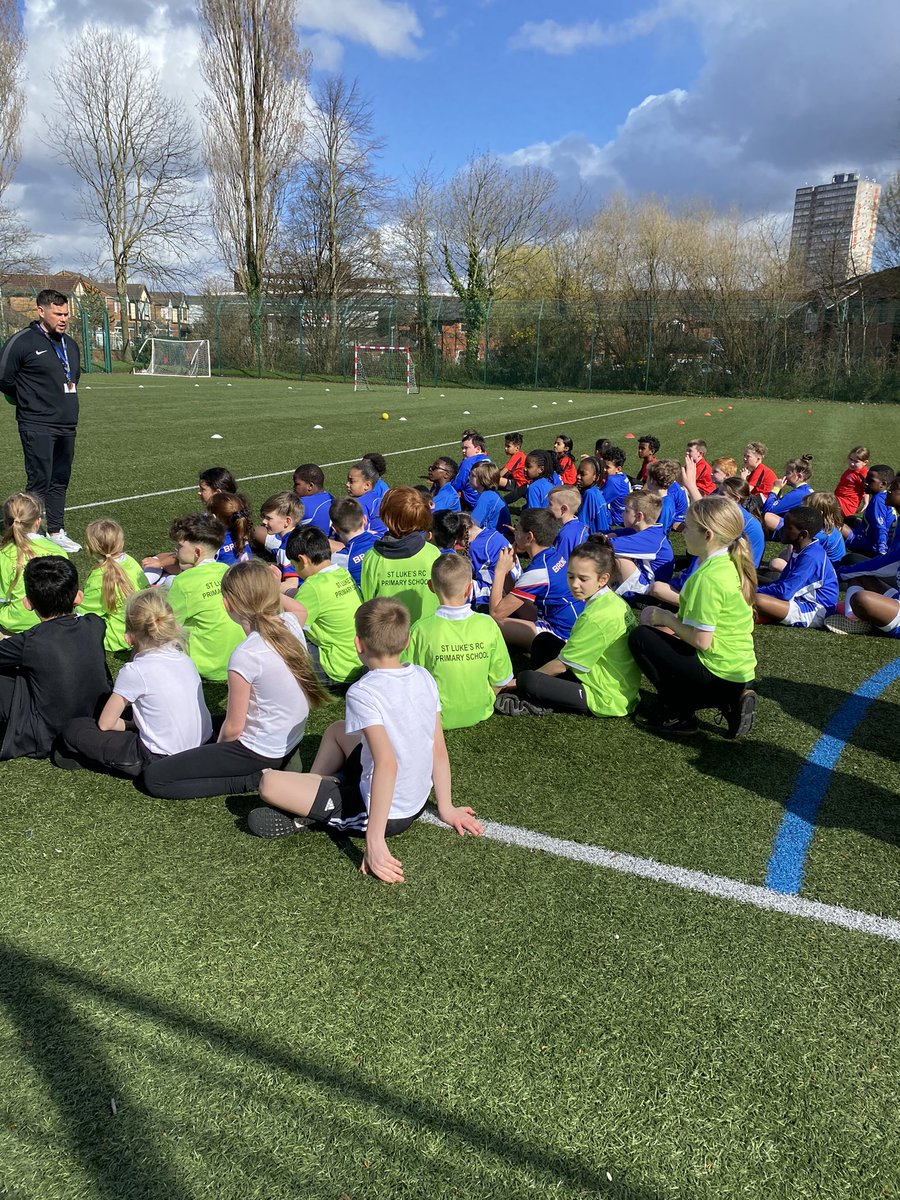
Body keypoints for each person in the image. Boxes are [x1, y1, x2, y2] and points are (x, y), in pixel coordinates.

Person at [248, 598, 484, 884]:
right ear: (407, 641)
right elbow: (438, 747)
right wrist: (446, 806)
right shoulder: (423, 676)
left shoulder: (363, 692)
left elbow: (387, 764)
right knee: (337, 730)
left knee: (269, 783)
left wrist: (375, 840)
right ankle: (315, 791)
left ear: (358, 644)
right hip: (415, 797)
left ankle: (313, 805)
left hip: (385, 813)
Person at [142, 559, 330, 799]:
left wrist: (214, 752)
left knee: (156, 777)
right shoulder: (291, 624)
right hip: (286, 740)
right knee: (206, 723)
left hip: (259, 752)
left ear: (226, 603)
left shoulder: (246, 654)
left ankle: (251, 780)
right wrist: (272, 590)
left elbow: (233, 729)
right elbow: (301, 609)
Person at [629, 495, 757, 738]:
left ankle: (679, 713)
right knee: (660, 636)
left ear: (708, 535)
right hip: (740, 671)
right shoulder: (728, 561)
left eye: (688, 527)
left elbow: (701, 641)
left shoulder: (709, 578)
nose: (683, 532)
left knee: (641, 638)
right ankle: (730, 701)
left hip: (718, 674)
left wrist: (665, 618)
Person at [58, 590, 212, 776]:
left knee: (75, 729)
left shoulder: (135, 671)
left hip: (159, 756)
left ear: (128, 638)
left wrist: (132, 725)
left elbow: (106, 724)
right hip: (201, 744)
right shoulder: (184, 658)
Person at [498, 539, 640, 719]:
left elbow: (560, 666)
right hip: (616, 684)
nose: (574, 584)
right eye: (571, 576)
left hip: (605, 697)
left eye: (583, 579)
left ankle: (542, 698)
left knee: (528, 680)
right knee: (543, 640)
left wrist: (513, 684)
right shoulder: (611, 601)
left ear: (603, 579)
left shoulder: (596, 616)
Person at [0, 557, 110, 760]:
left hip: (46, 736)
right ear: (78, 597)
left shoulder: (31, 641)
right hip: (96, 720)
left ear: (28, 603)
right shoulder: (95, 624)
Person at [0, 289, 82, 552]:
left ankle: (56, 531)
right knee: (39, 480)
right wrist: (28, 400)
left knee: (60, 479)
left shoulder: (70, 345)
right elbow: (4, 378)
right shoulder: (22, 341)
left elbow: (73, 378)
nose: (63, 318)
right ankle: (30, 534)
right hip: (36, 423)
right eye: (58, 313)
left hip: (66, 423)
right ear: (41, 311)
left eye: (66, 314)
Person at [403, 553, 513, 728]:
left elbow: (405, 678)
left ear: (431, 587)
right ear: (469, 589)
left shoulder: (420, 630)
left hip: (435, 716)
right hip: (481, 710)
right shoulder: (488, 625)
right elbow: (501, 680)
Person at [489, 507, 583, 655]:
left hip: (560, 636)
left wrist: (500, 571)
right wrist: (507, 574)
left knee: (491, 623)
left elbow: (495, 613)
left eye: (517, 528)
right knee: (518, 605)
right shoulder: (554, 556)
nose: (514, 532)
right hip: (571, 625)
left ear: (529, 537)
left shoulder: (538, 571)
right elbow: (516, 598)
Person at [166, 512, 245, 681]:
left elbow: (168, 626)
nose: (176, 550)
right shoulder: (227, 570)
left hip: (205, 666)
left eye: (179, 546)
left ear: (197, 552)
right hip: (238, 661)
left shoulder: (182, 582)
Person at [286, 526, 362, 687]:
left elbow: (289, 629)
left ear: (303, 560)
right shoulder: (343, 573)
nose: (296, 571)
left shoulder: (312, 587)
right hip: (358, 659)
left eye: (294, 565)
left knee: (281, 645)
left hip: (334, 668)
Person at [360, 486, 441, 623]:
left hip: (389, 631)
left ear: (385, 516)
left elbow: (369, 602)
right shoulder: (433, 553)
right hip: (427, 631)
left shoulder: (373, 557)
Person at [144, 467, 238, 581]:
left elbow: (193, 555)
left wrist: (160, 563)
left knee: (166, 571)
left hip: (213, 575)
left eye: (203, 489)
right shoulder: (238, 515)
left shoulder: (211, 522)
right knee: (165, 559)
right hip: (231, 573)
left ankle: (140, 586)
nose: (199, 492)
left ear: (217, 493)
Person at [755, 507, 838, 629]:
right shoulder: (802, 549)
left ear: (802, 535)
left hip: (815, 610)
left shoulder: (811, 557)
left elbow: (785, 592)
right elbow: (783, 583)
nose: (781, 529)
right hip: (798, 599)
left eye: (787, 527)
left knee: (757, 600)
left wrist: (752, 591)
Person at [0, 492, 69, 633]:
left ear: (6, 523)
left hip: (15, 624)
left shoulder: (4, 555)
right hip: (52, 620)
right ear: (38, 522)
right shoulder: (58, 551)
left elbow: (2, 598)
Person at [76, 518, 149, 651]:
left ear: (89, 547)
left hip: (116, 638)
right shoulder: (130, 561)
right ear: (121, 542)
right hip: (143, 632)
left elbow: (86, 613)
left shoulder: (99, 577)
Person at [432, 509, 517, 609]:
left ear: (459, 537)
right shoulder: (493, 534)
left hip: (504, 595)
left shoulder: (477, 548)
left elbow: (490, 586)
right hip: (516, 585)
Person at [608, 491, 674, 597]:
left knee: (615, 555)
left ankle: (623, 593)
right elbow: (611, 535)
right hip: (645, 580)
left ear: (639, 516)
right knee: (611, 542)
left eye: (626, 511)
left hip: (647, 591)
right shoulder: (641, 530)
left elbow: (608, 545)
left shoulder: (651, 538)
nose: (622, 514)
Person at [841, 465, 894, 559]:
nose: (865, 483)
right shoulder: (885, 496)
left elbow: (880, 528)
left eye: (870, 480)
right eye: (866, 479)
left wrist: (881, 552)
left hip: (869, 545)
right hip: (873, 537)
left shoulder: (877, 501)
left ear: (882, 484)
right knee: (850, 519)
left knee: (835, 526)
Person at [330, 496, 375, 590]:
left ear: (334, 529)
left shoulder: (338, 558)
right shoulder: (382, 541)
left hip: (362, 598)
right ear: (365, 520)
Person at [762, 455, 814, 533]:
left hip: (799, 531)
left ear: (799, 476)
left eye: (788, 473)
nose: (784, 476)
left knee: (766, 517)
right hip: (807, 529)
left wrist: (776, 488)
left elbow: (768, 509)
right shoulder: (806, 490)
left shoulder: (798, 494)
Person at [208, 492, 253, 566]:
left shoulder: (216, 541)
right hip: (251, 571)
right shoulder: (242, 531)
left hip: (230, 573)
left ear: (213, 517)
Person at [450, 429, 490, 509]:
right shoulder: (487, 459)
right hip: (488, 501)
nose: (463, 450)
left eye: (466, 448)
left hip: (473, 503)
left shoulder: (468, 462)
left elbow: (456, 485)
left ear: (478, 449)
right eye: (462, 448)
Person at [346, 460, 387, 536]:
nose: (347, 484)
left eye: (351, 481)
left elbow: (360, 533)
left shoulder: (360, 504)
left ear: (367, 485)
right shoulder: (376, 497)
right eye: (348, 481)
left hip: (372, 541)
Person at [469, 461, 511, 533]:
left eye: (473, 475)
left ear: (484, 479)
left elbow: (472, 525)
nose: (469, 477)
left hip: (495, 536)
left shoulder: (486, 497)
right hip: (500, 534)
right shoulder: (492, 493)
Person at [547, 486, 588, 560]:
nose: (547, 508)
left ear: (563, 509)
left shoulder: (565, 535)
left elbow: (560, 563)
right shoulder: (580, 526)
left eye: (550, 504)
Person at [292, 464, 334, 533]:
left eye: (297, 484)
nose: (294, 487)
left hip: (314, 539)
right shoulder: (330, 497)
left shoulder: (304, 504)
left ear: (310, 486)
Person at [834, 446, 870, 519]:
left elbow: (867, 489)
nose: (852, 463)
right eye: (851, 459)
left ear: (865, 462)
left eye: (856, 461)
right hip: (839, 499)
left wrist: (866, 502)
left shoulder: (863, 474)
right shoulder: (852, 470)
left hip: (847, 504)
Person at [575, 457, 610, 534]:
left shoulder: (589, 494)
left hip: (593, 538)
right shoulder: (596, 491)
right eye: (578, 473)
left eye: (583, 474)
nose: (578, 476)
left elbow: (583, 526)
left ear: (595, 477)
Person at [600, 447, 631, 525]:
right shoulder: (621, 476)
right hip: (622, 513)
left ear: (618, 469)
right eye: (603, 466)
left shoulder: (613, 481)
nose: (604, 469)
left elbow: (599, 501)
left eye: (607, 467)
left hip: (616, 517)